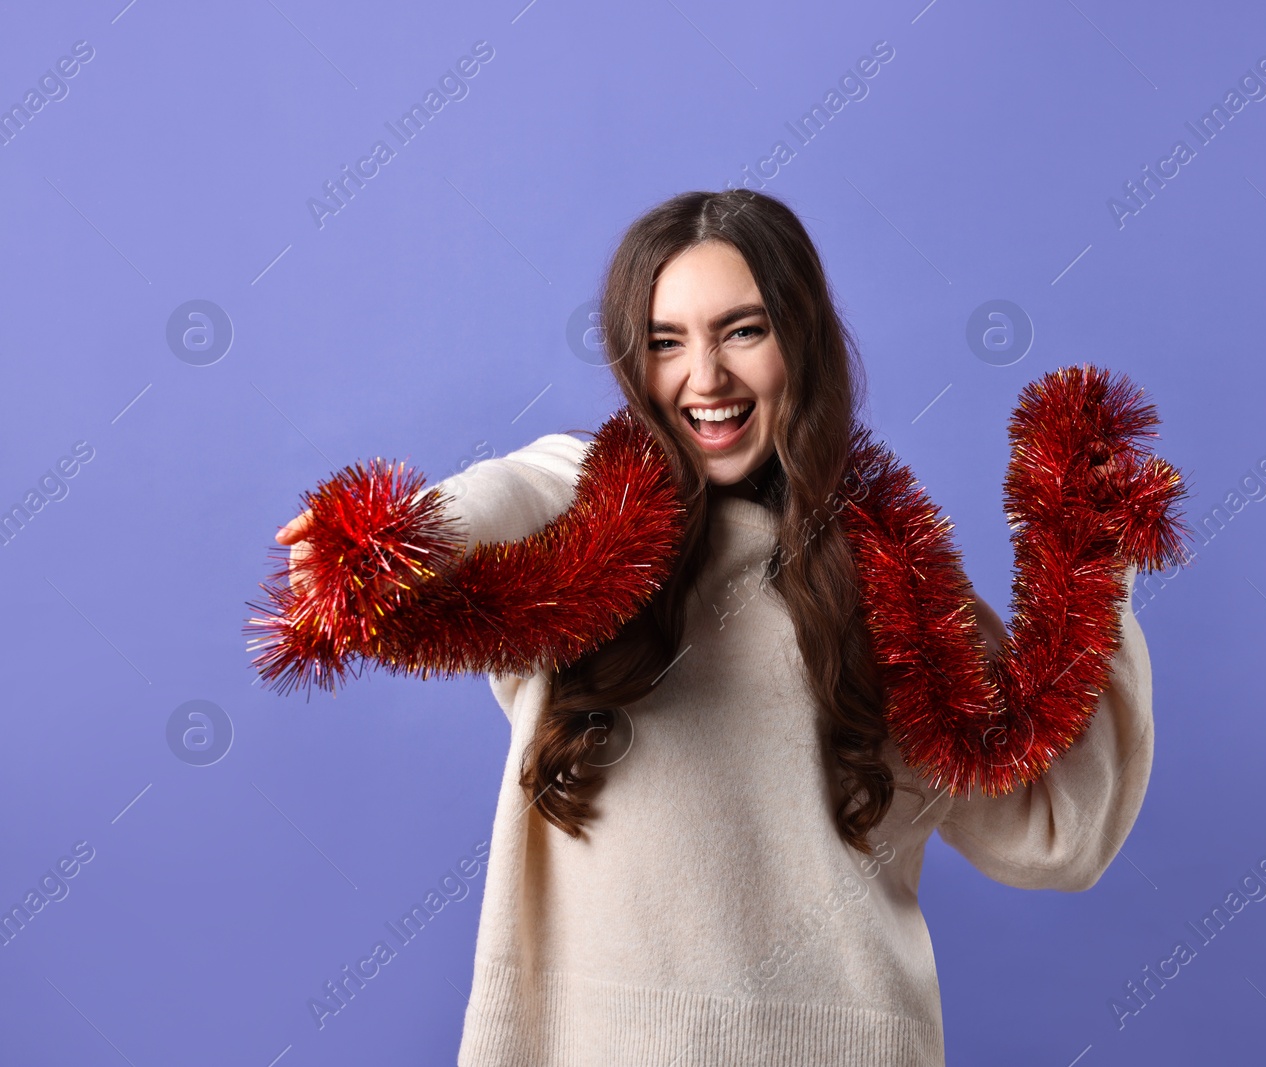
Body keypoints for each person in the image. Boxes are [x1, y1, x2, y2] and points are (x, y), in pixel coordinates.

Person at [273, 189, 1156, 1067]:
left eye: (742, 330)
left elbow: (1055, 831)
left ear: (800, 340)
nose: (705, 378)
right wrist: (389, 540)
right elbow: (497, 499)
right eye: (666, 342)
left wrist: (1092, 557)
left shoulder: (895, 570)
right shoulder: (581, 501)